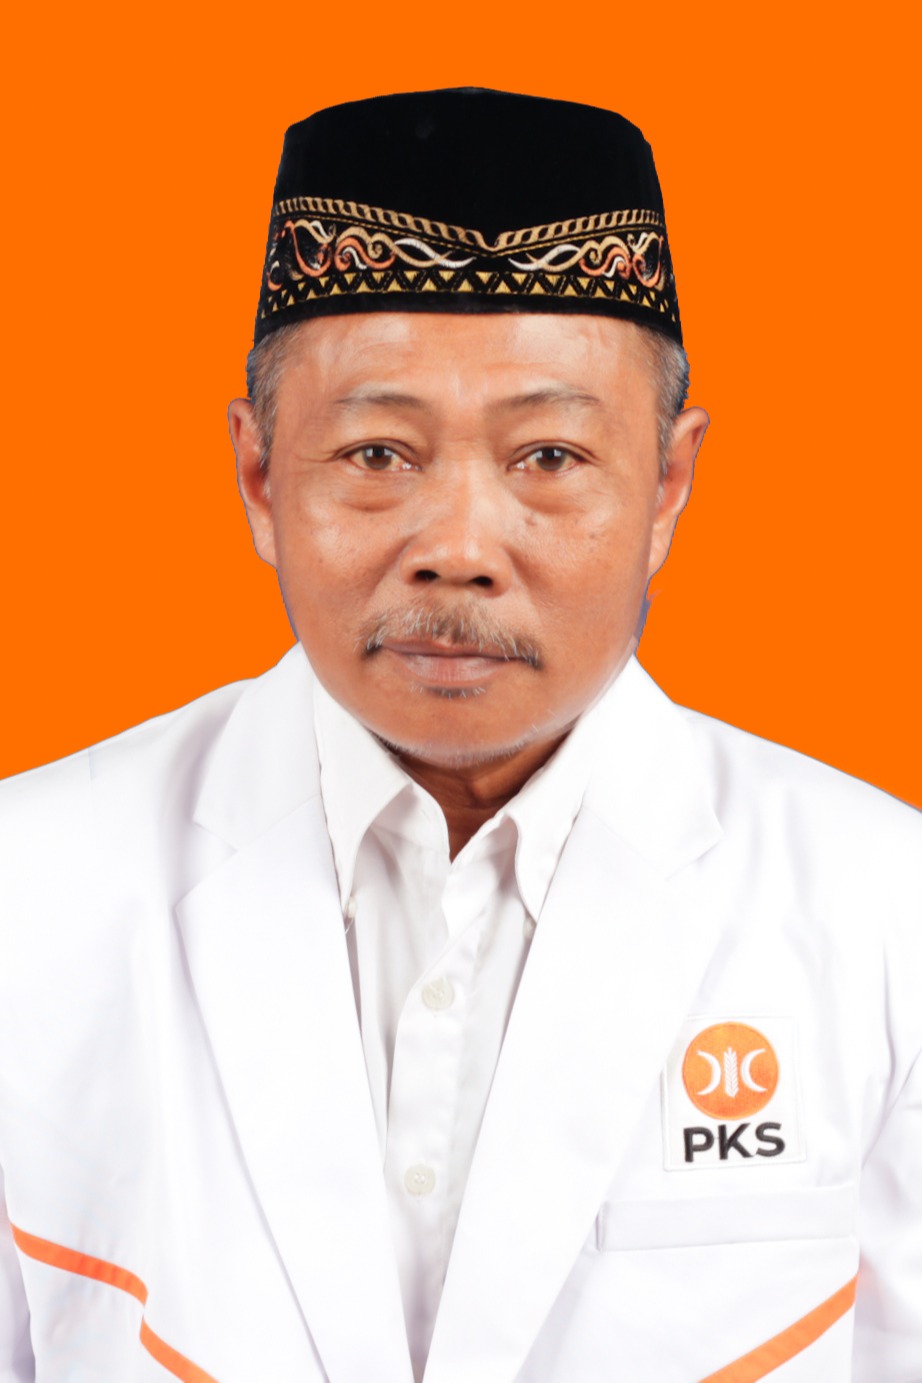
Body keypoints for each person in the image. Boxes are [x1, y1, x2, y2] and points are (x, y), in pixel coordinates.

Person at [0, 86, 919, 1383]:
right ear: (259, 475)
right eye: (378, 454)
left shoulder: (885, 910)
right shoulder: (28, 893)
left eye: (549, 457)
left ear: (666, 484)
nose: (459, 548)